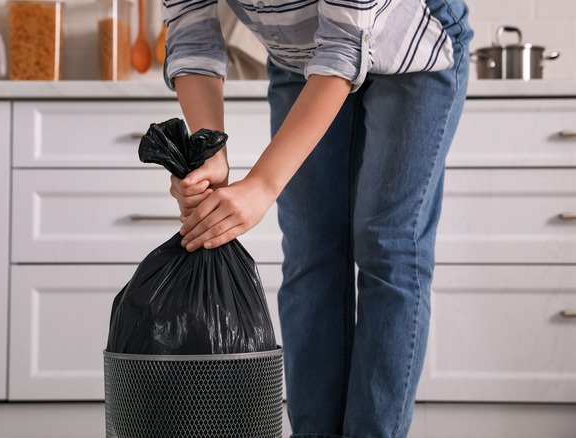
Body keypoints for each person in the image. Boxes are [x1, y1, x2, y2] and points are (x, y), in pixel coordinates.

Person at [162, 0, 473, 436]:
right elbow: (192, 33)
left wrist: (263, 185)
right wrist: (210, 150)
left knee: (387, 246)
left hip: (412, 50)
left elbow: (346, 46)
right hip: (302, 59)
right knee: (310, 253)